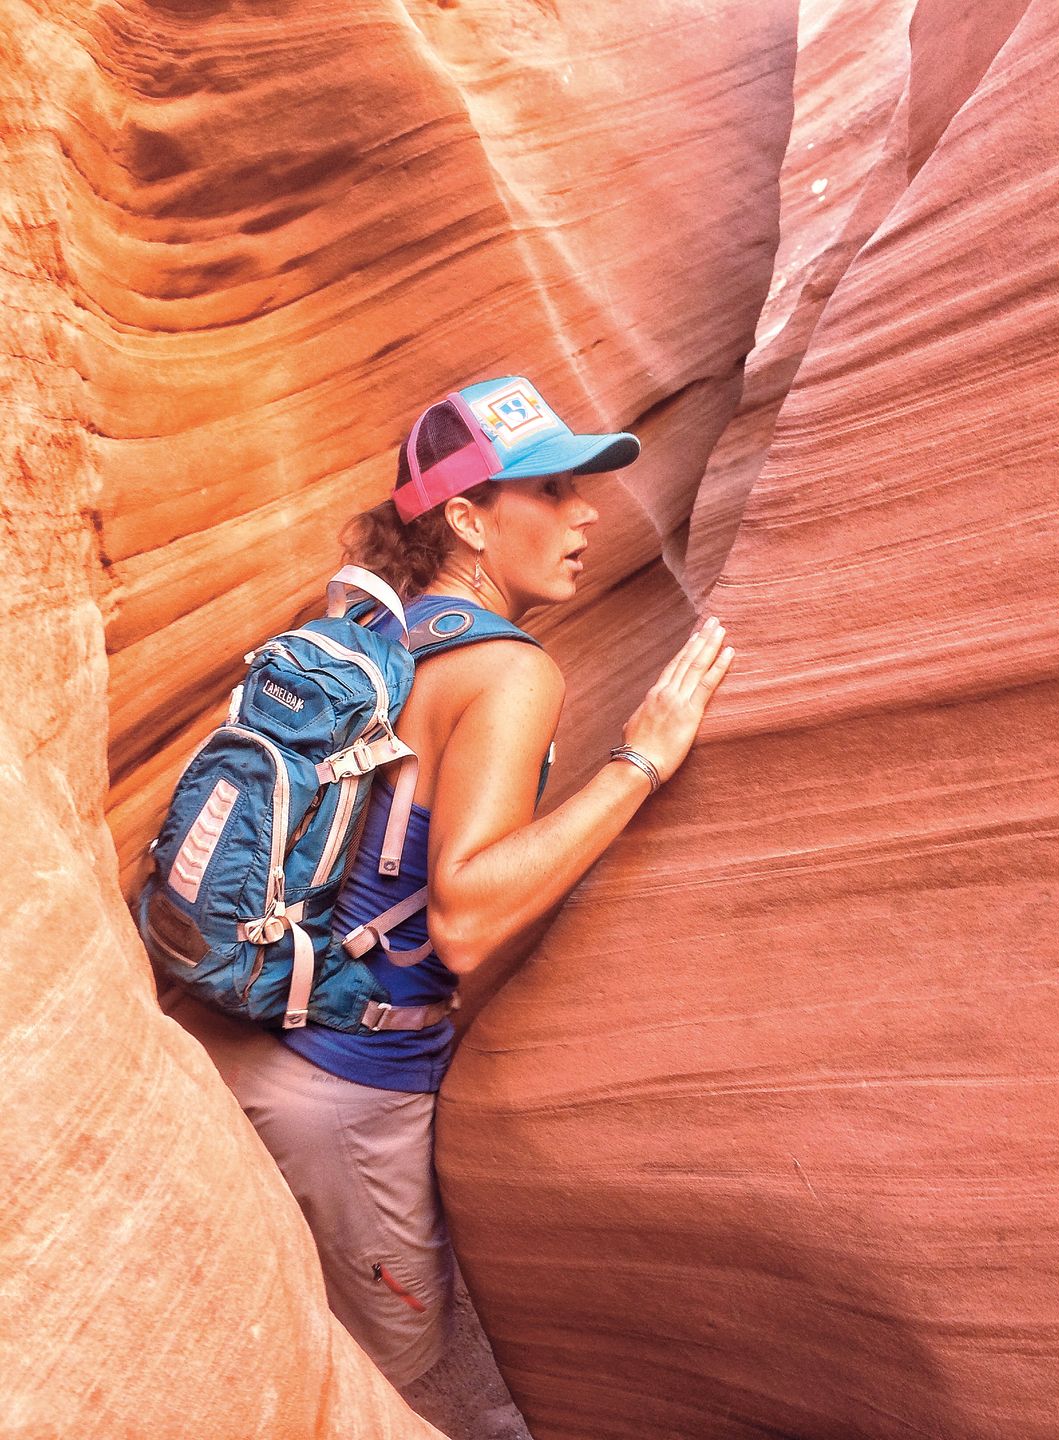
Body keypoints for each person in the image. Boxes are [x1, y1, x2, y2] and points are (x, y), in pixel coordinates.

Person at [175, 375, 734, 1389]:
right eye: (553, 492)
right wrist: (640, 763)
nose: (588, 512)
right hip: (351, 1092)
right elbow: (467, 918)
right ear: (469, 520)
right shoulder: (513, 673)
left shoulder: (370, 635)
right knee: (406, 1387)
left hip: (249, 1036)